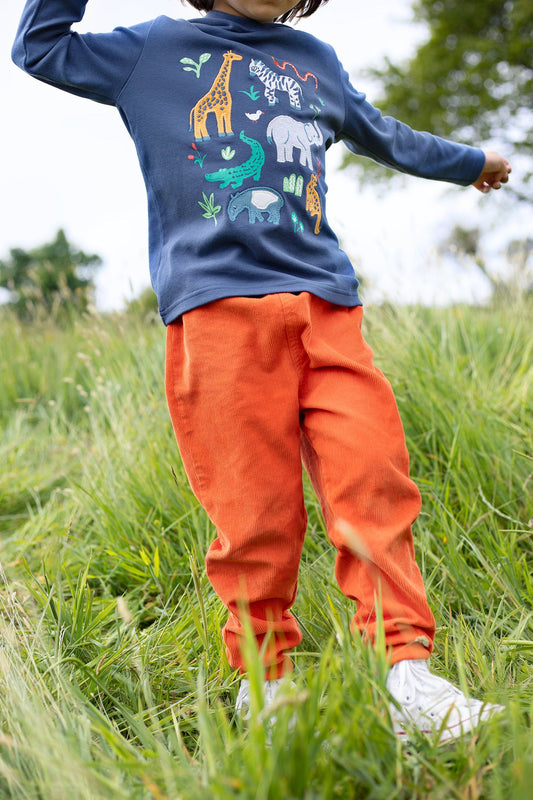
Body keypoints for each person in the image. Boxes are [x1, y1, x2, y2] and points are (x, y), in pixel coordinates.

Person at [12, 0, 511, 743]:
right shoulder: (154, 48)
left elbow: (383, 134)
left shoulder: (313, 59)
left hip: (327, 309)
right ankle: (266, 683)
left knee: (372, 477)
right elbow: (42, 47)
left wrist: (471, 163)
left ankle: (404, 671)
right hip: (218, 317)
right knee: (254, 512)